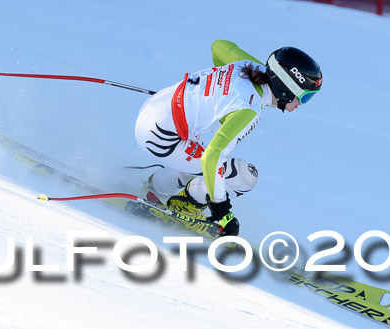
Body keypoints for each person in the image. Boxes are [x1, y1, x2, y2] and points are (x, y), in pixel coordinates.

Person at [134, 40, 322, 237]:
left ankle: (154, 186)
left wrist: (214, 96)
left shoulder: (250, 66)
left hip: (156, 107)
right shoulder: (249, 110)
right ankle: (183, 208)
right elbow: (213, 157)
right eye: (304, 97)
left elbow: (219, 46)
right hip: (161, 137)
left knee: (201, 161)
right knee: (246, 177)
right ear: (286, 90)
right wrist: (221, 211)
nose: (301, 104)